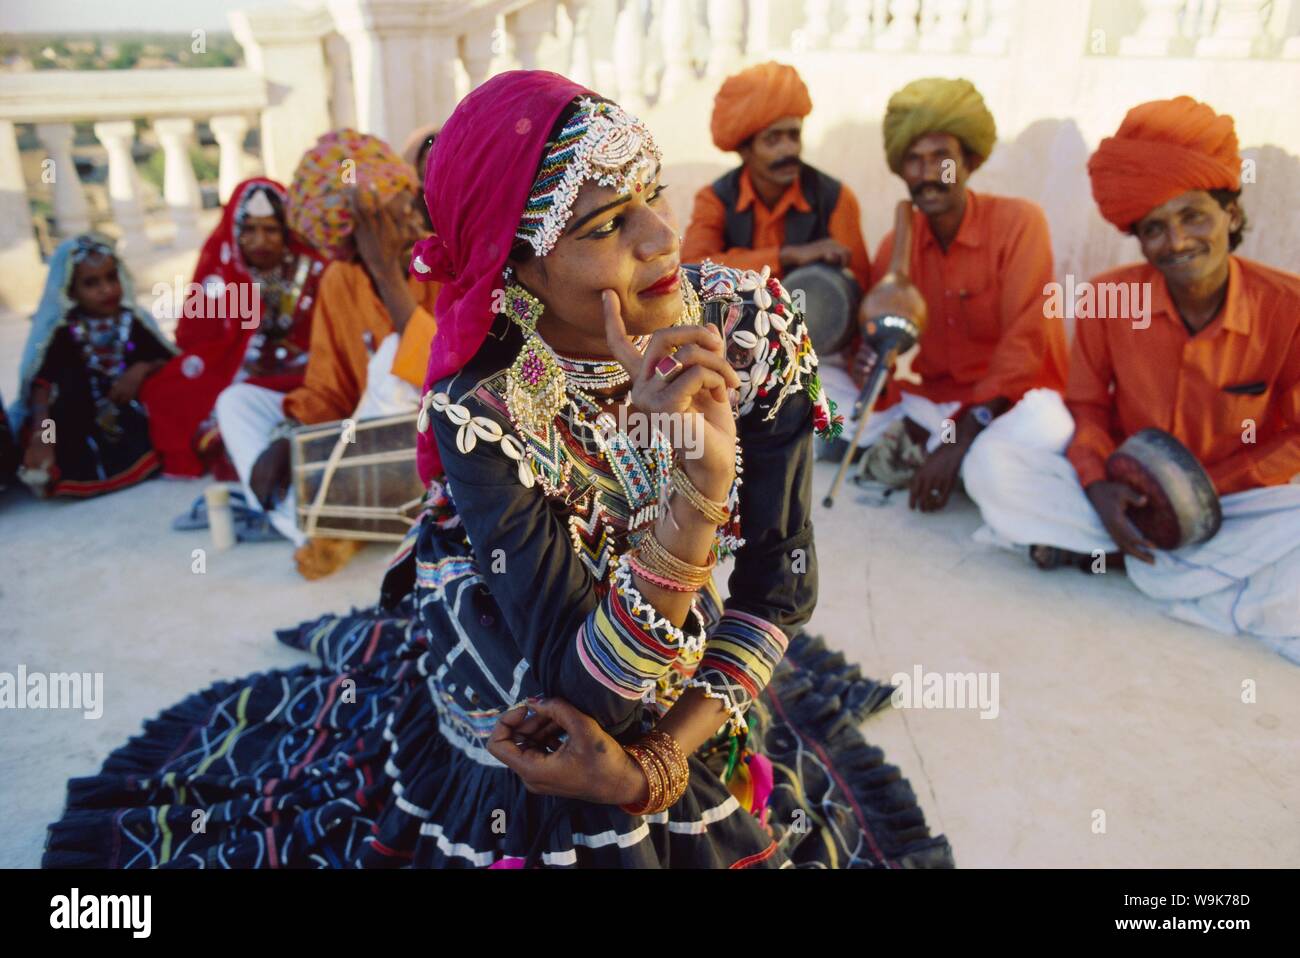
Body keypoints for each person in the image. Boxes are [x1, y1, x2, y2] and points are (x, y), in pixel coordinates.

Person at [43, 71, 953, 870]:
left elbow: (777, 588)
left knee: (624, 767)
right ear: (515, 270)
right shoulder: (488, 410)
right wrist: (693, 502)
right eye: (604, 224)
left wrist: (659, 763)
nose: (660, 239)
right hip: (517, 627)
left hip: (658, 665)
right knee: (543, 756)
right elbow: (582, 692)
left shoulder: (748, 333)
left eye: (652, 195)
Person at [962, 96, 1300, 662]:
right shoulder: (1109, 297)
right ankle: (1172, 567)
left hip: (1236, 505)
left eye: (1194, 216)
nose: (1177, 242)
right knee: (992, 466)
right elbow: (1088, 409)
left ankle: (1120, 561)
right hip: (1126, 500)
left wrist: (1206, 493)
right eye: (1154, 228)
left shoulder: (1288, 307)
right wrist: (1098, 488)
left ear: (1231, 215)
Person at [820, 78, 1068, 513]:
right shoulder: (894, 247)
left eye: (942, 158)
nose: (928, 174)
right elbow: (880, 354)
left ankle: (945, 452)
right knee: (815, 386)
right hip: (936, 402)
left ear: (968, 162)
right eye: (914, 161)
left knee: (1050, 426)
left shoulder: (1020, 224)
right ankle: (942, 449)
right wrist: (870, 369)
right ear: (901, 170)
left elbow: (1025, 345)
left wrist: (960, 435)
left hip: (1007, 406)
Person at [214, 130, 439, 577]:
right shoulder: (340, 278)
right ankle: (314, 521)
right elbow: (328, 387)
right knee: (236, 402)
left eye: (358, 249)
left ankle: (333, 517)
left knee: (394, 357)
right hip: (365, 439)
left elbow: (444, 371)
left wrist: (387, 275)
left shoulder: (445, 256)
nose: (355, 264)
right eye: (348, 255)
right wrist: (289, 435)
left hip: (435, 442)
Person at [141, 177, 329, 481]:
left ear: (286, 230)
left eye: (270, 230)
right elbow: (197, 338)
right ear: (235, 232)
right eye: (250, 230)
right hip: (237, 368)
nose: (260, 241)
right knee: (164, 390)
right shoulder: (222, 271)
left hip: (304, 368)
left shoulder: (313, 270)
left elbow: (331, 336)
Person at [681, 61, 871, 293]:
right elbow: (692, 270)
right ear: (744, 150)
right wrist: (785, 256)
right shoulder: (715, 198)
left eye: (794, 135)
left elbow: (859, 286)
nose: (789, 149)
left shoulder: (835, 198)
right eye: (773, 139)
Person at [13, 234, 175, 498]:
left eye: (111, 277)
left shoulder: (133, 322)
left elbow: (166, 358)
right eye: (91, 283)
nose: (107, 289)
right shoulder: (63, 333)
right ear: (71, 290)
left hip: (130, 414)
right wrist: (44, 437)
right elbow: (42, 388)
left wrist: (141, 369)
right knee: (57, 417)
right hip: (75, 423)